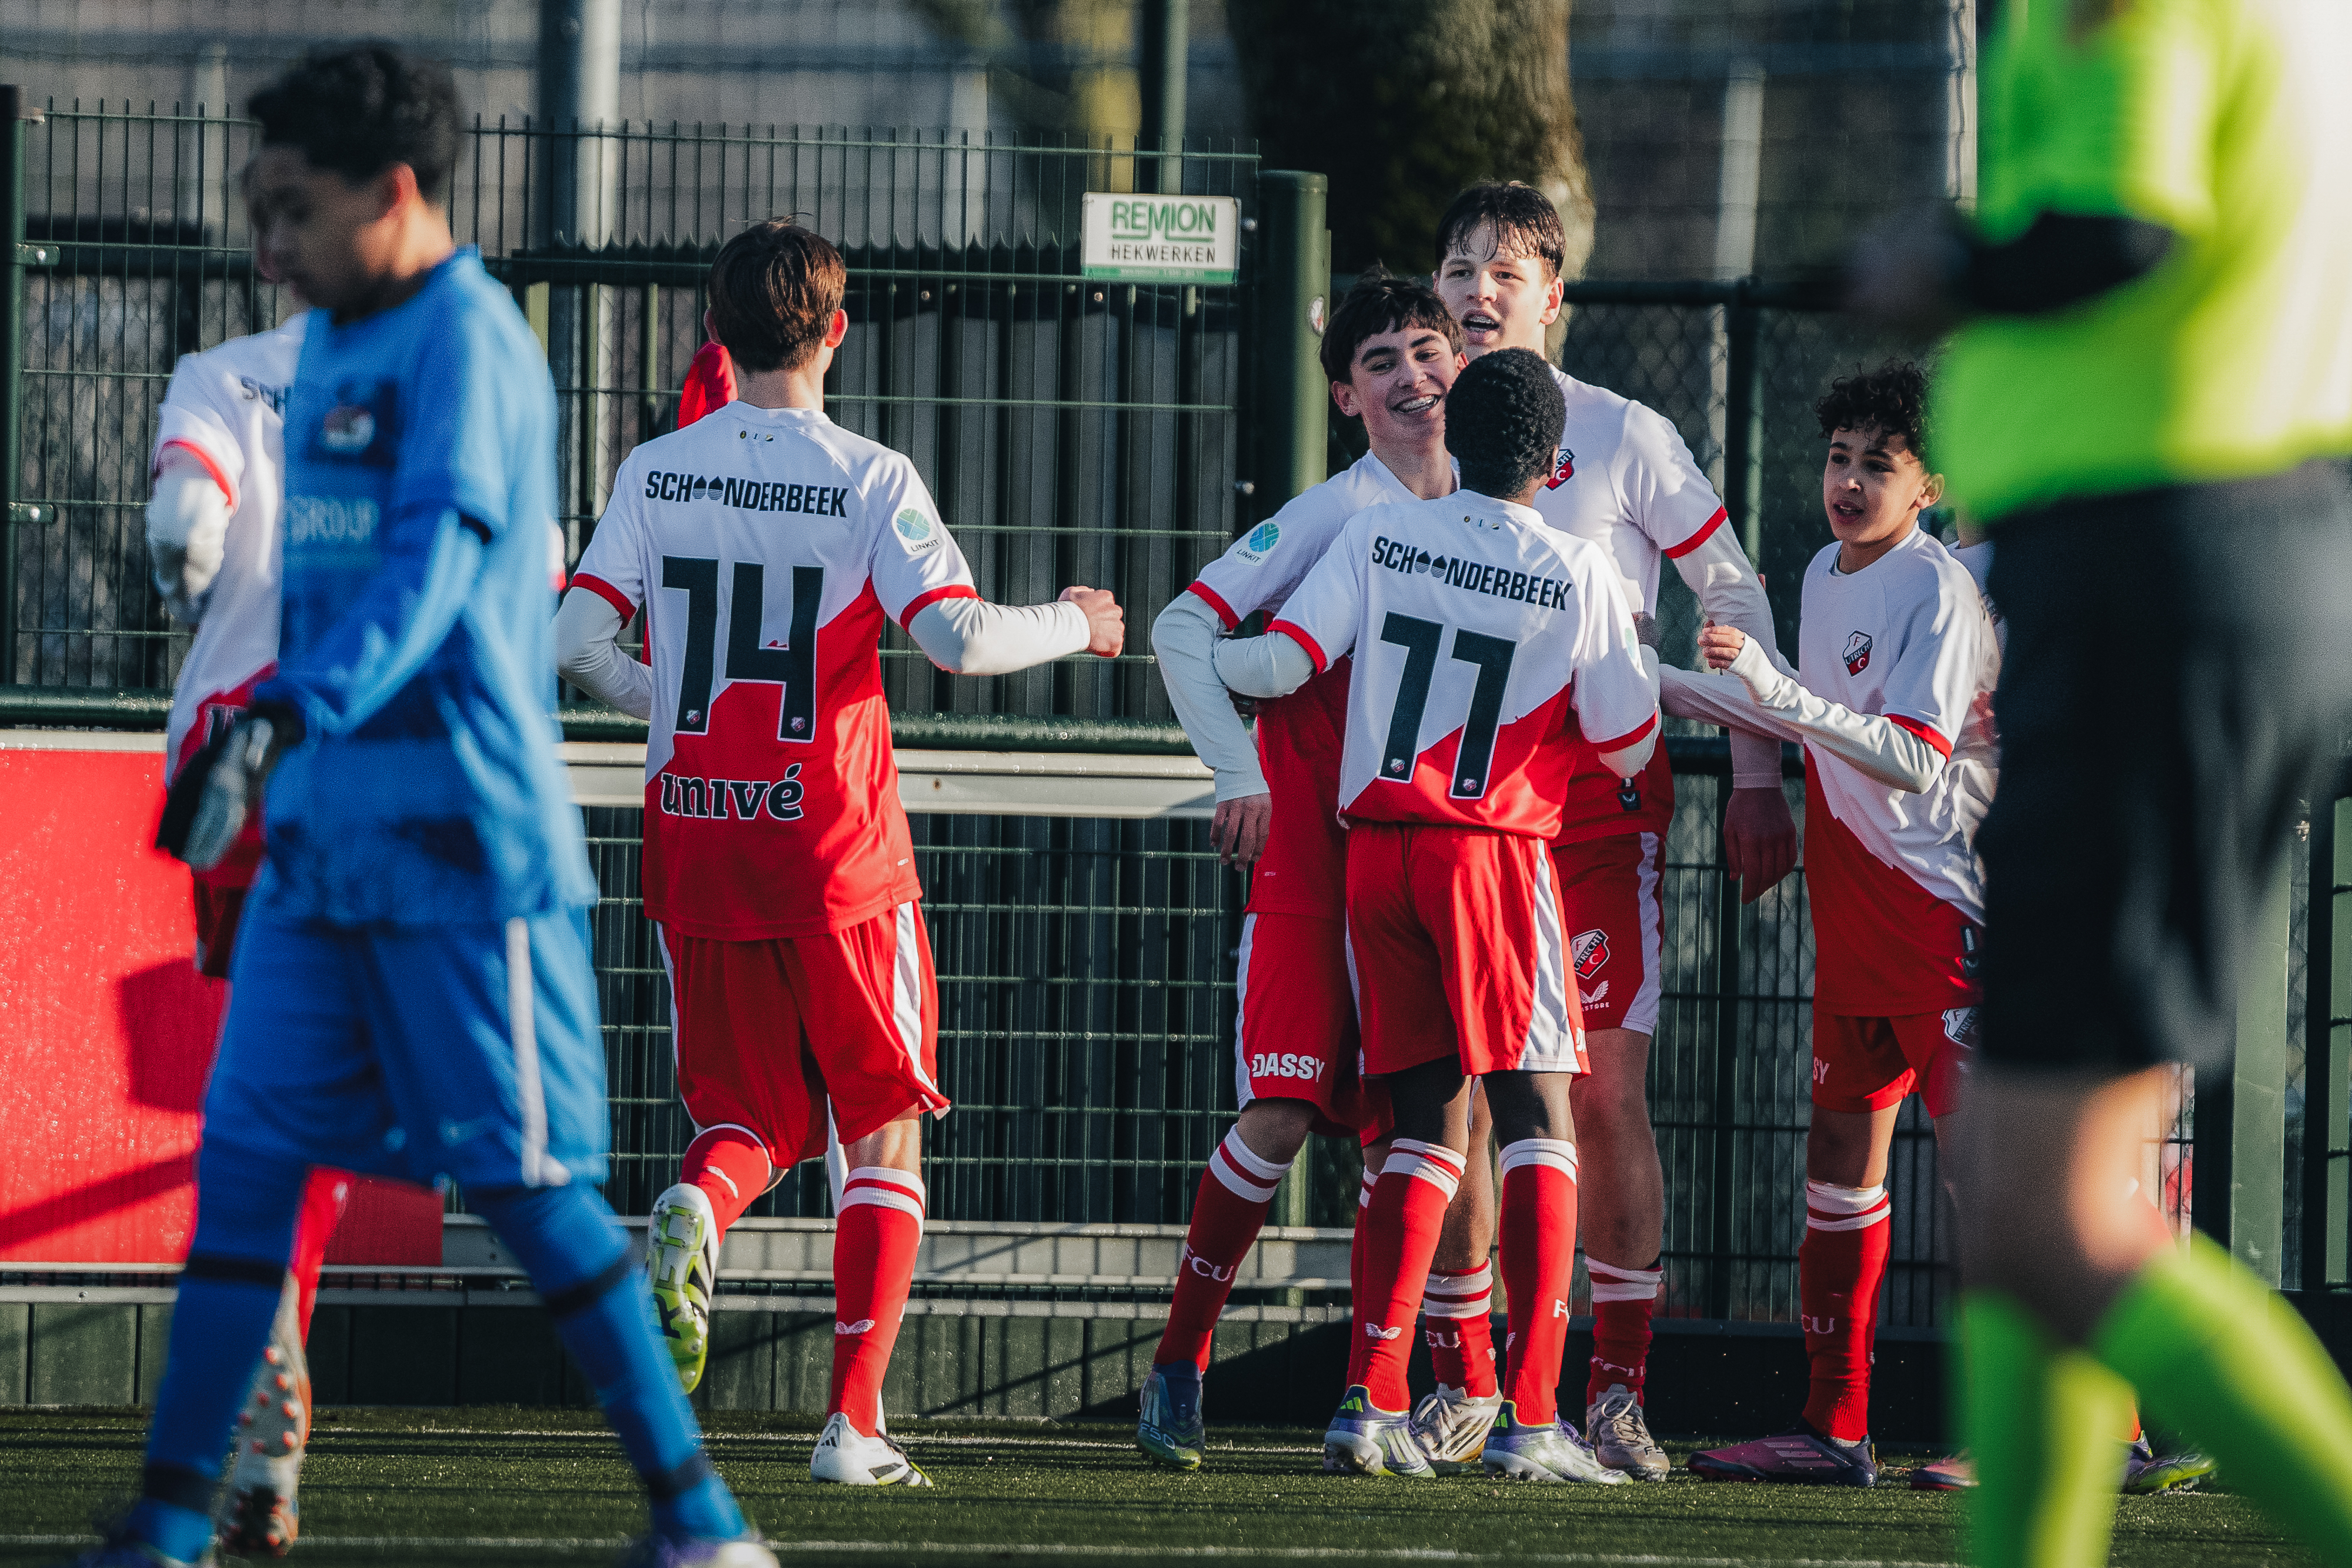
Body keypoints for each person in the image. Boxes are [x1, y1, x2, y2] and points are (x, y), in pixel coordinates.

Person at [101, 45, 775, 1568]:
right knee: (247, 1175)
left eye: (291, 210)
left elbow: (430, 577)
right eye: (256, 210)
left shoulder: (472, 345)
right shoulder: (327, 341)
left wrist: (282, 706)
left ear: (392, 195)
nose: (268, 245)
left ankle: (704, 1522)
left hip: (463, 852)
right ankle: (160, 1524)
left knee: (533, 1192)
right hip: (317, 853)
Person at [1847, 0, 2352, 1560]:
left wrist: (1929, 268)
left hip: (2157, 568)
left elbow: (2119, 231)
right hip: (2203, 564)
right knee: (2038, 1185)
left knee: (2038, 1207)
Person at [556, 219, 1125, 1487]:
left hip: (698, 830)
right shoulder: (870, 474)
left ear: (716, 331)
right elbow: (959, 640)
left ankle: (697, 1207)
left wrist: (673, 695)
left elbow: (572, 644)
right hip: (833, 844)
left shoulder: (656, 469)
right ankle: (852, 1424)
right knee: (878, 1122)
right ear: (837, 328)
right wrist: (1074, 622)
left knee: (747, 1114)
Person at [1212, 347, 1657, 1485]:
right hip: (1495, 856)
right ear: (1556, 464)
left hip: (1380, 858)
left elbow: (1281, 665)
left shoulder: (1374, 534)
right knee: (1538, 1118)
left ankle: (1369, 1399)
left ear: (1455, 431)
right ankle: (1535, 1417)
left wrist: (1195, 647)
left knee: (1419, 1125)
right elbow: (1628, 743)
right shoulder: (1578, 568)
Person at [1429, 180, 1798, 1478]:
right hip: (1454, 826)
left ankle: (1614, 1392)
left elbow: (1733, 582)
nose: (1478, 291)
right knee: (1457, 1102)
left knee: (1597, 1091)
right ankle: (1466, 1382)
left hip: (1594, 815)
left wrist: (1756, 770)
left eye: (1506, 272)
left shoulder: (1625, 434)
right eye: (1458, 269)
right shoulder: (1410, 434)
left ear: (1553, 298)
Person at [1137, 270, 1465, 1470]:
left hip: (1427, 867)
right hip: (1313, 870)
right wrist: (1238, 773)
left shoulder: (1497, 515)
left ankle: (1374, 1396)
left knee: (1410, 1133)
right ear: (1344, 395)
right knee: (1276, 1116)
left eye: (1428, 351)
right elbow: (1183, 627)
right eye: (1380, 360)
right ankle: (1179, 1361)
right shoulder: (1332, 513)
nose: (1412, 376)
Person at [1662, 362, 1996, 1487]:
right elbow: (1796, 716)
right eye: (1839, 458)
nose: (1849, 482)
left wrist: (1774, 687)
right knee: (1837, 1178)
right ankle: (1832, 1426)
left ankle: (2041, 1434)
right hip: (1850, 918)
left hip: (1940, 921)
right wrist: (1646, 677)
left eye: (1879, 465)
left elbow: (1910, 757)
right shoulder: (1818, 568)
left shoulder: (1939, 592)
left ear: (1931, 486)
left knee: (1993, 1196)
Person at [142, 194, 350, 1558]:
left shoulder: (223, 377)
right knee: (357, 1088)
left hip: (237, 752)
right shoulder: (437, 388)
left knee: (253, 1071)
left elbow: (184, 529)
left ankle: (257, 1333)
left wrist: (197, 590)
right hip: (376, 753)